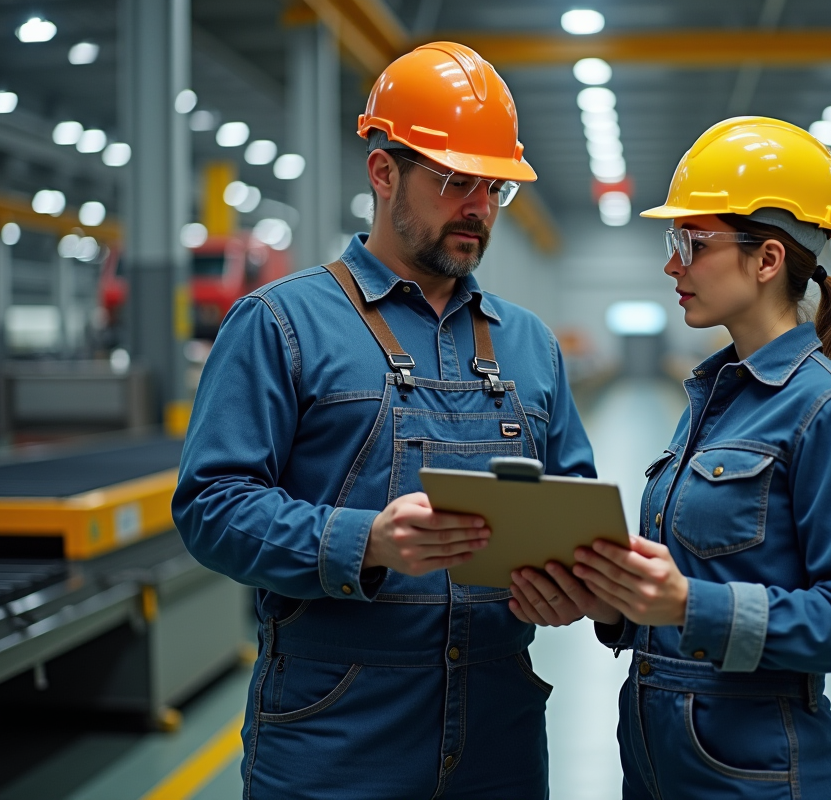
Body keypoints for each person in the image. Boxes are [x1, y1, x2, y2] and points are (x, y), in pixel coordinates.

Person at [173, 42, 601, 800]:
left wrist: (572, 582)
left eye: (492, 187)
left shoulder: (530, 343)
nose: (479, 206)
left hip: (497, 737)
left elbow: (574, 501)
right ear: (383, 172)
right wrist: (362, 540)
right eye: (455, 181)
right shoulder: (280, 324)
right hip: (334, 733)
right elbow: (211, 506)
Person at [515, 116, 831, 799]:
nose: (672, 264)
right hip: (662, 762)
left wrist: (692, 603)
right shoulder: (714, 395)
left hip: (756, 774)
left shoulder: (830, 413)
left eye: (691, 242)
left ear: (767, 259)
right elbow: (685, 586)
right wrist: (612, 603)